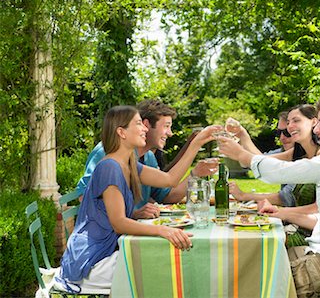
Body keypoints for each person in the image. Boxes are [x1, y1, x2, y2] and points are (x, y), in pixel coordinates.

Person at [218, 93, 320, 297]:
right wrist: (282, 212)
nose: (316, 129)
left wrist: (242, 155)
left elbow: (287, 171)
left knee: (268, 281)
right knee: (261, 265)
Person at [56, 105, 220, 293]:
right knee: (159, 270)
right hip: (93, 260)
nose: (144, 128)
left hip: (109, 250)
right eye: (138, 124)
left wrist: (197, 143)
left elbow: (170, 180)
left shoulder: (129, 164)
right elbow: (119, 223)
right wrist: (162, 230)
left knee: (166, 264)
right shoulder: (109, 167)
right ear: (121, 132)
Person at [75, 99, 218, 219]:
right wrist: (133, 214)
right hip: (110, 237)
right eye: (166, 126)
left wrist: (195, 173)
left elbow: (167, 195)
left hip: (132, 231)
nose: (170, 133)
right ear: (146, 124)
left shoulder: (148, 157)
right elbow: (84, 196)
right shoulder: (108, 152)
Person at [229, 106, 319, 210]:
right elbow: (261, 161)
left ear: (314, 122)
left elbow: (287, 198)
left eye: (296, 121)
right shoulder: (296, 153)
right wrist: (242, 135)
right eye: (289, 123)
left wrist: (243, 196)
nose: (282, 137)